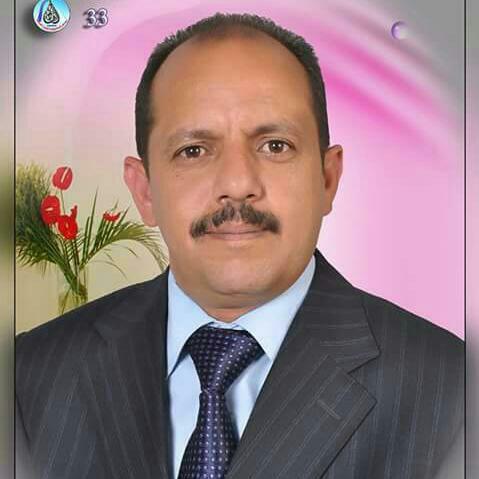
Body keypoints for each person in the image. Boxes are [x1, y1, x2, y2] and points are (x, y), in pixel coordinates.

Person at [15, 12, 464, 479]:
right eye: (193, 150)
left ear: (327, 178)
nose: (236, 183)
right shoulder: (30, 377)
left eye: (275, 146)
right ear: (144, 191)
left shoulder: (451, 391)